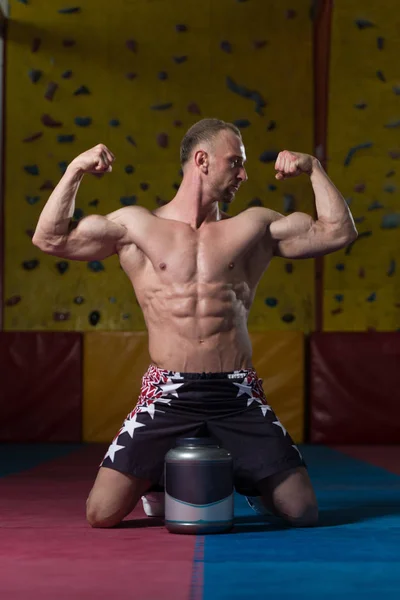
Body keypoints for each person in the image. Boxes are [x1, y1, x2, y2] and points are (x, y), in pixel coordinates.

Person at [32, 118, 357, 529]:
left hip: (236, 389)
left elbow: (339, 232)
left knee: (302, 511)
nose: (244, 173)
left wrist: (314, 168)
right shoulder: (136, 226)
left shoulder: (254, 227)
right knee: (101, 513)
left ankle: (245, 475)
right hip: (168, 391)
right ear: (201, 160)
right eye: (234, 162)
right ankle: (162, 481)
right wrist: (75, 169)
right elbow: (50, 239)